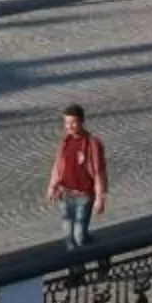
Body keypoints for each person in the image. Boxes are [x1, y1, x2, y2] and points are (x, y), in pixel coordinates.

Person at [48, 105, 109, 248]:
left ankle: (100, 253)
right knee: (69, 238)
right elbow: (57, 165)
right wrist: (52, 186)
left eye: (73, 122)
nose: (69, 126)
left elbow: (99, 172)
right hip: (65, 195)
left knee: (79, 236)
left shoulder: (92, 143)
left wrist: (100, 199)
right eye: (67, 123)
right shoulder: (65, 142)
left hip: (84, 196)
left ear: (81, 122)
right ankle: (76, 270)